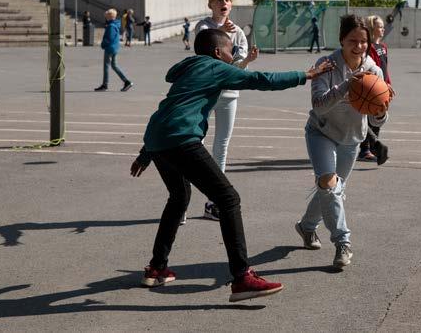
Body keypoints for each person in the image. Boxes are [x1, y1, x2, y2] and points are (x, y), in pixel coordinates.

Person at [130, 28, 333, 301]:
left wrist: (146, 153)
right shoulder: (214, 67)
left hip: (158, 140)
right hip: (180, 139)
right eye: (231, 51)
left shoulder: (188, 69)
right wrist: (304, 75)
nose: (233, 56)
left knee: (179, 196)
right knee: (228, 199)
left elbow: (169, 108)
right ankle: (242, 278)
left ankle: (156, 268)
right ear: (217, 52)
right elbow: (260, 80)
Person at [295, 15, 390, 269]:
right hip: (321, 133)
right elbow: (319, 105)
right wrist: (348, 85)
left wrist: (381, 111)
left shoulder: (374, 70)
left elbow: (377, 121)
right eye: (352, 41)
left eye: (363, 42)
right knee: (329, 182)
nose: (358, 46)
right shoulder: (326, 64)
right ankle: (342, 243)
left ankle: (306, 226)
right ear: (341, 40)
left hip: (352, 138)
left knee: (331, 191)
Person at [195, 0, 258, 221]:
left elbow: (237, 69)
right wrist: (223, 31)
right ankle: (182, 199)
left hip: (229, 95)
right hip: (206, 93)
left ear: (231, 4)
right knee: (194, 144)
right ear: (210, 4)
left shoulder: (238, 33)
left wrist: (247, 60)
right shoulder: (204, 26)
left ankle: (213, 202)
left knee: (221, 147)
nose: (223, 3)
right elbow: (206, 54)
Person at [358, 15, 392, 164]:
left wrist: (388, 83)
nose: (382, 29)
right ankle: (365, 150)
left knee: (378, 117)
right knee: (367, 119)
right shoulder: (369, 47)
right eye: (379, 26)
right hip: (372, 88)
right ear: (372, 28)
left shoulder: (383, 47)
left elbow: (385, 67)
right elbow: (371, 68)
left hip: (382, 86)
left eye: (383, 26)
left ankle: (372, 148)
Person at [94, 8, 133, 92]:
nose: (105, 18)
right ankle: (126, 81)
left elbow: (109, 38)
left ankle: (105, 84)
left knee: (106, 66)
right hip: (114, 47)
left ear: (109, 17)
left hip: (110, 48)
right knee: (114, 66)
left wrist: (103, 44)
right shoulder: (115, 24)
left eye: (106, 16)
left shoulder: (111, 26)